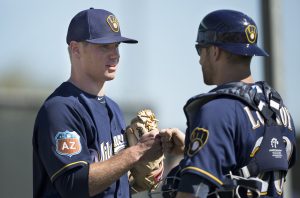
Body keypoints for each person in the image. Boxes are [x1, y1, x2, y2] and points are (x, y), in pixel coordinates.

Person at [160, 9, 297, 198]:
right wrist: (193, 150)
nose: (200, 59)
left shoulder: (217, 111)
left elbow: (193, 192)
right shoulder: (279, 112)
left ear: (215, 51)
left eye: (200, 49)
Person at [32, 8, 163, 198]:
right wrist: (137, 153)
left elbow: (112, 186)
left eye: (116, 46)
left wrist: (153, 154)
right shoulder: (60, 109)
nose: (114, 55)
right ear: (76, 49)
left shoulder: (113, 108)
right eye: (104, 46)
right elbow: (73, 185)